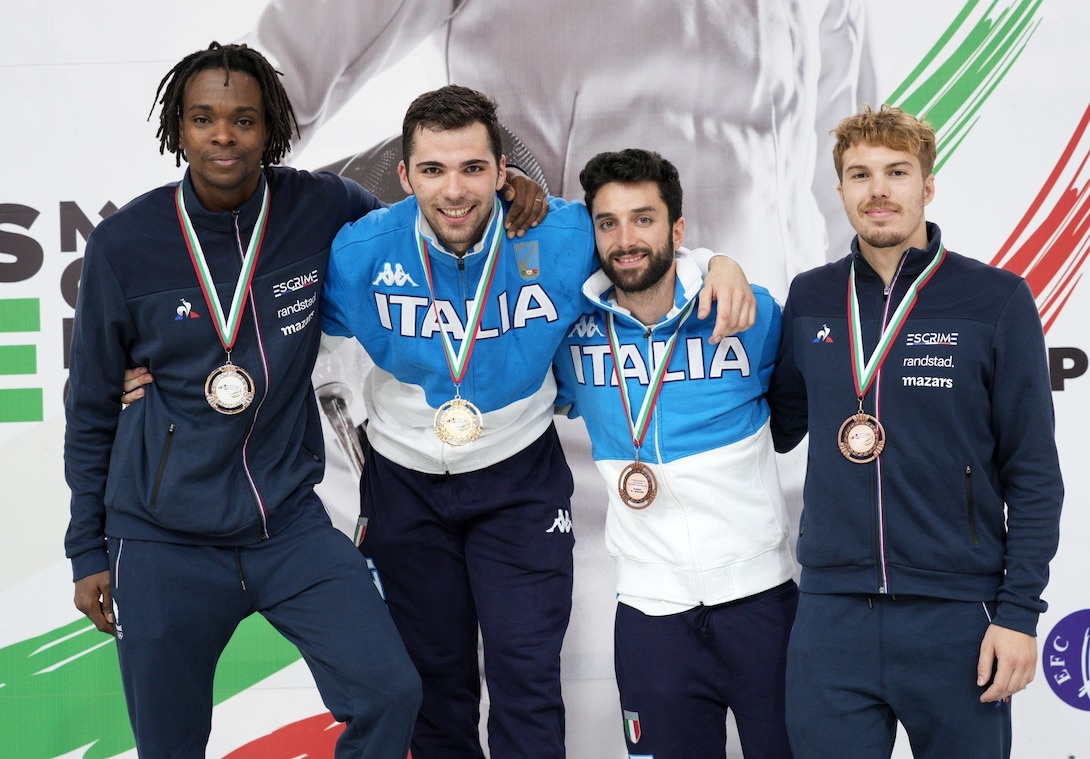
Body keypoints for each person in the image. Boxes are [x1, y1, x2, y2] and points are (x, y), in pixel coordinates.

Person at [319, 85, 754, 759]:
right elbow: (273, 323)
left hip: (518, 483)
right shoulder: (361, 255)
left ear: (502, 172)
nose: (454, 190)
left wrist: (715, 265)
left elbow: (640, 255)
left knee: (526, 679)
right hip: (404, 484)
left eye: (472, 168)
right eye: (433, 170)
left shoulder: (560, 234)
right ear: (404, 178)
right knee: (437, 685)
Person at [62, 42, 430, 758]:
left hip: (287, 525)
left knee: (390, 690)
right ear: (178, 128)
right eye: (203, 119)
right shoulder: (124, 244)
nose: (223, 136)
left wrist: (517, 203)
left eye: (243, 120)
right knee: (170, 746)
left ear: (273, 128)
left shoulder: (322, 207)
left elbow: (423, 228)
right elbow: (94, 406)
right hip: (164, 539)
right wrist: (86, 549)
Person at [767, 104, 1063, 758]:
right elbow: (775, 422)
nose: (878, 190)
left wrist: (1018, 614)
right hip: (831, 616)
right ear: (839, 189)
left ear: (927, 185)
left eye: (896, 172)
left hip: (957, 616)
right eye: (859, 174)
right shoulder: (811, 297)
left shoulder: (996, 299)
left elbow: (1035, 475)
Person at [551, 148, 797, 758]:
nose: (625, 239)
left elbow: (796, 409)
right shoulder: (569, 330)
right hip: (650, 614)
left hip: (762, 603)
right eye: (608, 222)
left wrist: (721, 264)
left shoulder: (747, 313)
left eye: (644, 218)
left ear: (678, 230)